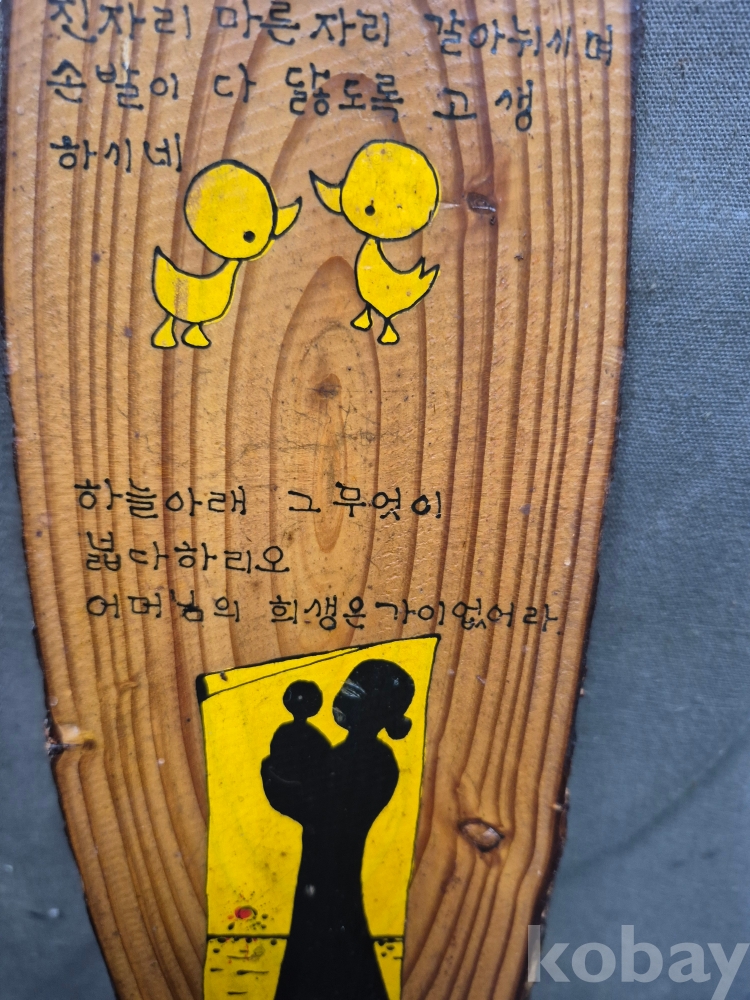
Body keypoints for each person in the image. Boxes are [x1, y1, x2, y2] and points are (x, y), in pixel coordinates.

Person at [261, 659, 415, 1000]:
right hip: (321, 866)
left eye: (354, 693)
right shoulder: (344, 754)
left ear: (376, 708)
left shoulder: (372, 761)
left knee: (330, 939)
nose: (342, 699)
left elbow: (317, 809)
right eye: (345, 689)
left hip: (332, 868)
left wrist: (274, 775)